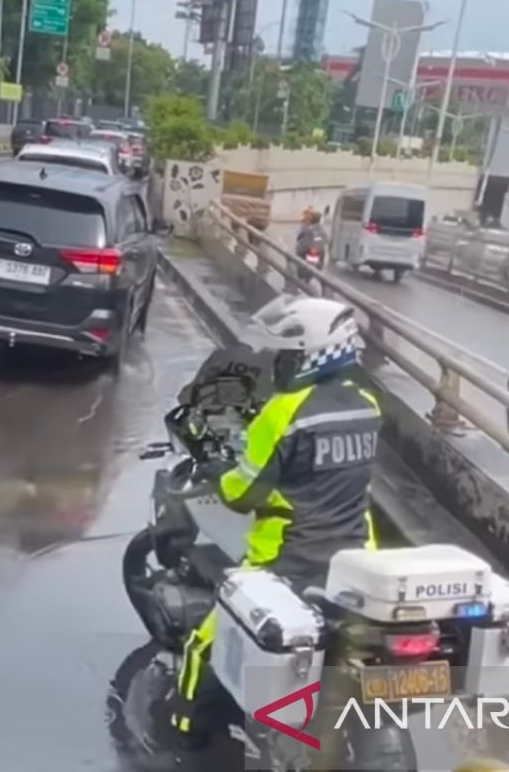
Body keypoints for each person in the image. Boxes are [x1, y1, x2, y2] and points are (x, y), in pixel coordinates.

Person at [171, 295, 381, 744]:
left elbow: (242, 494)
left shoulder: (281, 414)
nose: (279, 365)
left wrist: (220, 472)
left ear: (311, 354)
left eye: (287, 355)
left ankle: (185, 735)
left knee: (202, 644)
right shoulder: (366, 405)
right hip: (357, 559)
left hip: (289, 561)